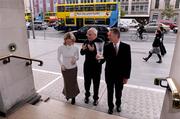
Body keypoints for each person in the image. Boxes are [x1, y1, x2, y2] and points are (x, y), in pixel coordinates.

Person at [103, 28, 131, 114]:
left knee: (119, 92)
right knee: (110, 91)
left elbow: (128, 63)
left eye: (109, 35)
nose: (108, 37)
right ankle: (110, 107)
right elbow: (103, 59)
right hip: (109, 74)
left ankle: (118, 104)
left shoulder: (126, 47)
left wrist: (126, 77)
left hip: (120, 75)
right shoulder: (107, 46)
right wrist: (98, 59)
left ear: (116, 35)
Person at [80, 27, 103, 106]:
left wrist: (93, 51)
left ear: (95, 35)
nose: (87, 36)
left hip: (96, 67)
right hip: (87, 67)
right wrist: (83, 50)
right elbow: (82, 53)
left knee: (96, 84)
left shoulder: (100, 42)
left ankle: (95, 98)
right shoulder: (86, 42)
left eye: (89, 34)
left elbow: (102, 56)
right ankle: (87, 96)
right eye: (87, 34)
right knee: (87, 83)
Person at [57, 32, 80, 105]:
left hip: (73, 68)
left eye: (71, 41)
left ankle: (73, 97)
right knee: (67, 82)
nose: (70, 42)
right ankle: (67, 95)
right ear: (65, 40)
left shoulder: (75, 48)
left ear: (73, 40)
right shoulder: (61, 48)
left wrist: (75, 59)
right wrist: (61, 65)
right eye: (68, 41)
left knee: (73, 83)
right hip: (65, 68)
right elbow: (58, 58)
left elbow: (77, 57)